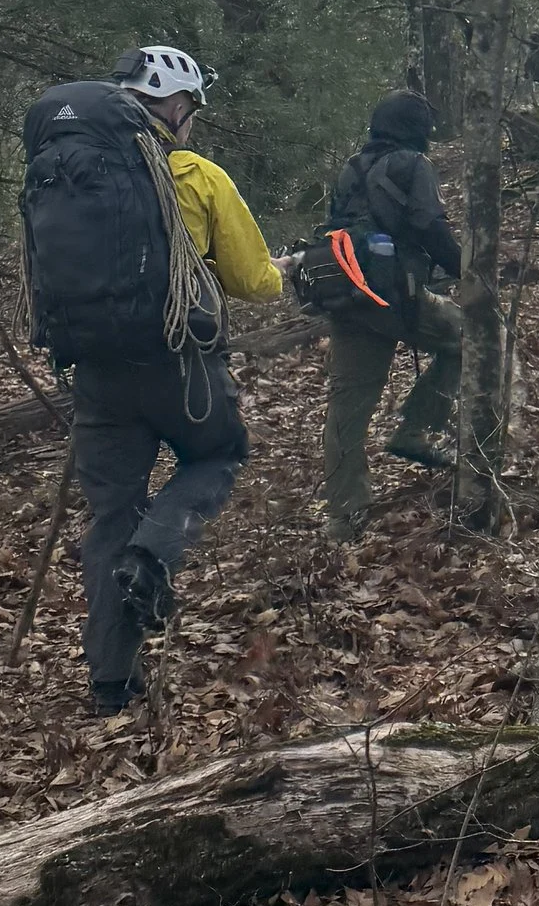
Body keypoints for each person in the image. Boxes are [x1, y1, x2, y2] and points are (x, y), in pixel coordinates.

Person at [45, 44, 283, 715]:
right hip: (181, 363)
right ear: (174, 105)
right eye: (193, 108)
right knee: (219, 451)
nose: (194, 121)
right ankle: (152, 559)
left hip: (95, 370)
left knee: (111, 515)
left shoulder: (68, 173)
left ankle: (111, 684)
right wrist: (280, 270)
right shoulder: (197, 175)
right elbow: (252, 280)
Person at [317, 90, 464, 537]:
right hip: (399, 295)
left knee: (348, 405)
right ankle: (416, 428)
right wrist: (469, 271)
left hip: (349, 296)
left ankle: (344, 516)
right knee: (472, 337)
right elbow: (429, 226)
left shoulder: (352, 167)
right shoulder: (412, 165)